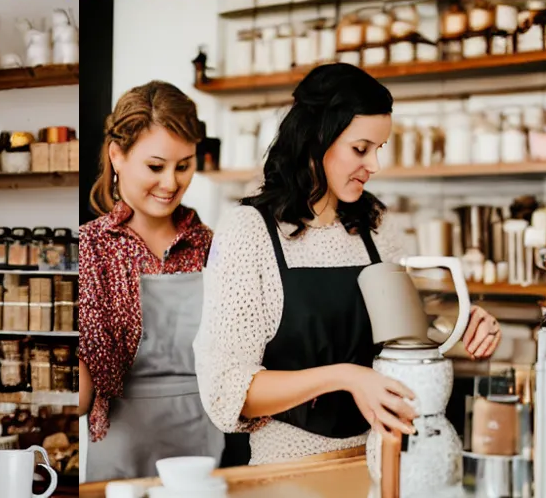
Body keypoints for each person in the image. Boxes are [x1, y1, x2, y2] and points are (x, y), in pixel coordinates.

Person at [194, 63, 501, 466]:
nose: (374, 165)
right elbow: (228, 391)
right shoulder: (249, 232)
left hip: (383, 458)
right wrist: (345, 376)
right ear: (316, 138)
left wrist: (463, 326)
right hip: (290, 469)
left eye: (379, 149)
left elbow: (406, 339)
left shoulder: (376, 227)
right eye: (361, 148)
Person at [78, 82, 222, 482]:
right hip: (123, 447)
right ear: (117, 156)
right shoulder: (90, 248)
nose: (171, 183)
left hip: (205, 444)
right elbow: (83, 390)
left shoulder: (211, 245)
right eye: (155, 167)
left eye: (184, 165)